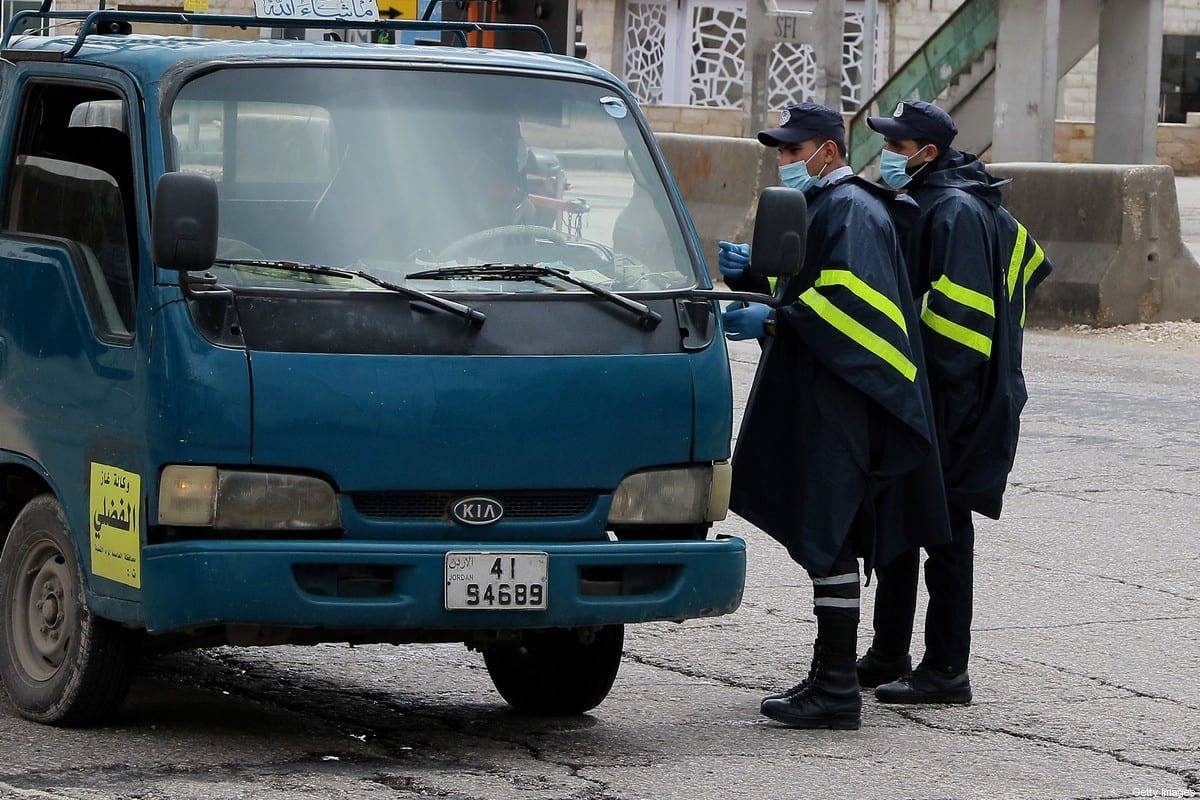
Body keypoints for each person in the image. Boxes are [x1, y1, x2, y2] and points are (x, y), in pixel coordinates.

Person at [719, 102, 952, 729]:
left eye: (794, 153)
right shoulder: (828, 204)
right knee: (827, 531)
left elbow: (856, 310)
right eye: (782, 153)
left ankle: (836, 687)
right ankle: (834, 680)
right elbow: (816, 289)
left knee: (830, 530)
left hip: (842, 404)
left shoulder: (852, 208)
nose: (785, 163)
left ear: (828, 149)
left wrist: (772, 317)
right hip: (827, 393)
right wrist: (762, 281)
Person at [857, 100, 1053, 704]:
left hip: (954, 399)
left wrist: (934, 400)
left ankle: (946, 670)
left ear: (927, 153)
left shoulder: (957, 209)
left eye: (896, 146)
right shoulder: (952, 198)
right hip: (939, 393)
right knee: (900, 516)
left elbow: (961, 331)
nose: (887, 156)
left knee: (943, 533)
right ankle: (890, 651)